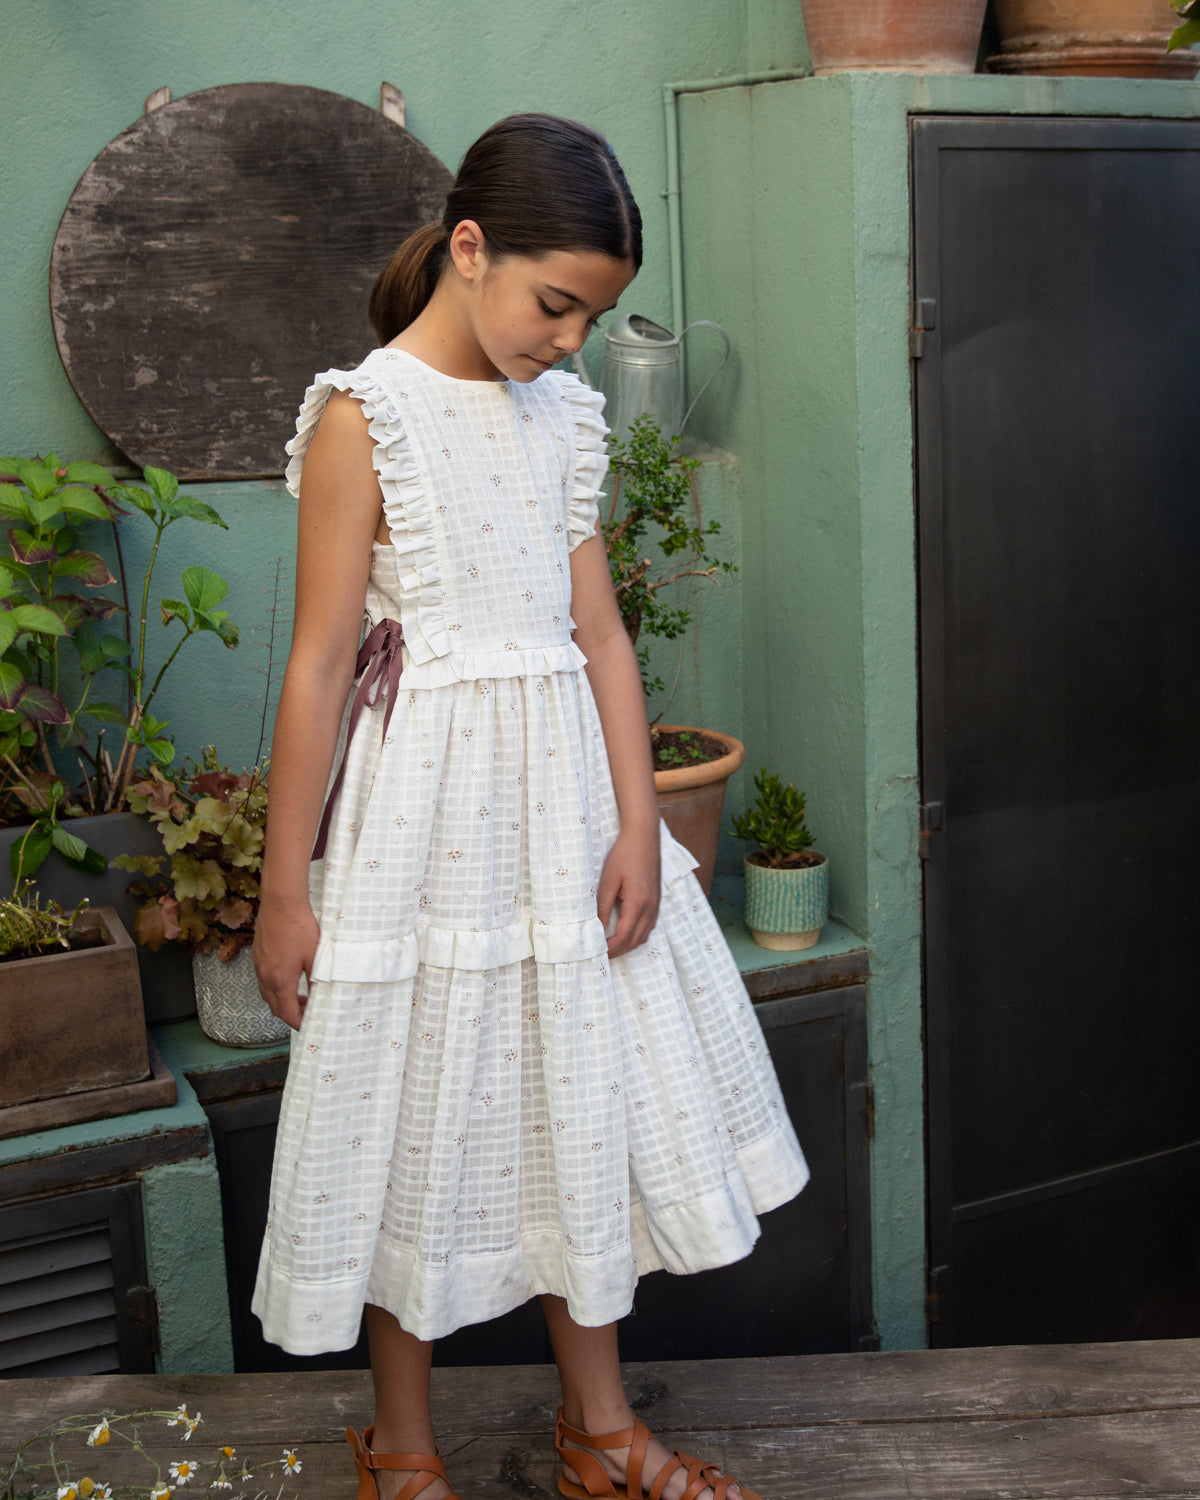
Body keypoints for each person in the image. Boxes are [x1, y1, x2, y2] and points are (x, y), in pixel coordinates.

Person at [251, 112, 808, 1500]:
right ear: (469, 247)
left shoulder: (564, 414)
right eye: (556, 304)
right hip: (421, 831)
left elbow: (601, 633)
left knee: (578, 1095)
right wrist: (283, 892)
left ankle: (598, 1429)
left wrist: (638, 826)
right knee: (414, 1108)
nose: (570, 340)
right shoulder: (364, 417)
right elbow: (318, 663)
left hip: (562, 820)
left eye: (592, 317)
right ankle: (401, 1447)